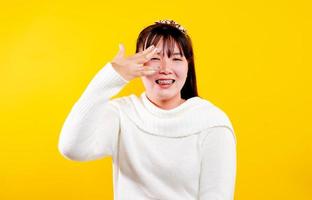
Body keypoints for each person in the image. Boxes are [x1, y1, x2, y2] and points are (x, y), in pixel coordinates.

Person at [58, 19, 237, 200]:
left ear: (188, 66)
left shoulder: (212, 122)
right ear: (139, 64)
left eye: (176, 58)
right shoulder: (122, 113)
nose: (166, 69)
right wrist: (111, 76)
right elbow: (72, 148)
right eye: (154, 58)